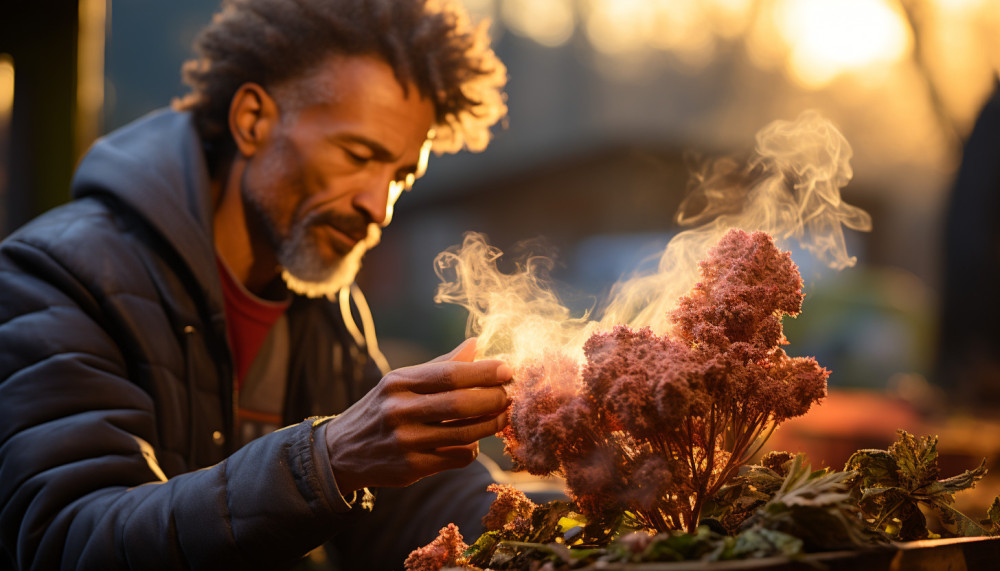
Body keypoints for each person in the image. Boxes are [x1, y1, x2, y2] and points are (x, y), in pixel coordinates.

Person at [0, 0, 512, 569]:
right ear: (252, 121)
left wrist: (585, 507)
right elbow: (70, 542)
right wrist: (325, 461)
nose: (378, 207)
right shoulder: (58, 275)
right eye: (358, 155)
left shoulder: (323, 305)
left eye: (399, 176)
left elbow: (410, 508)